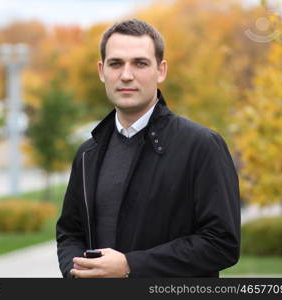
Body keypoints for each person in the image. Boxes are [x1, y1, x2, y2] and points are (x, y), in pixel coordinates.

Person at [56, 19, 240, 278]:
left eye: (140, 63)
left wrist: (130, 266)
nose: (126, 75)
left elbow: (222, 244)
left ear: (161, 70)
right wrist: (76, 273)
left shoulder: (201, 146)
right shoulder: (88, 153)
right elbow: (70, 233)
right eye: (116, 63)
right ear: (101, 71)